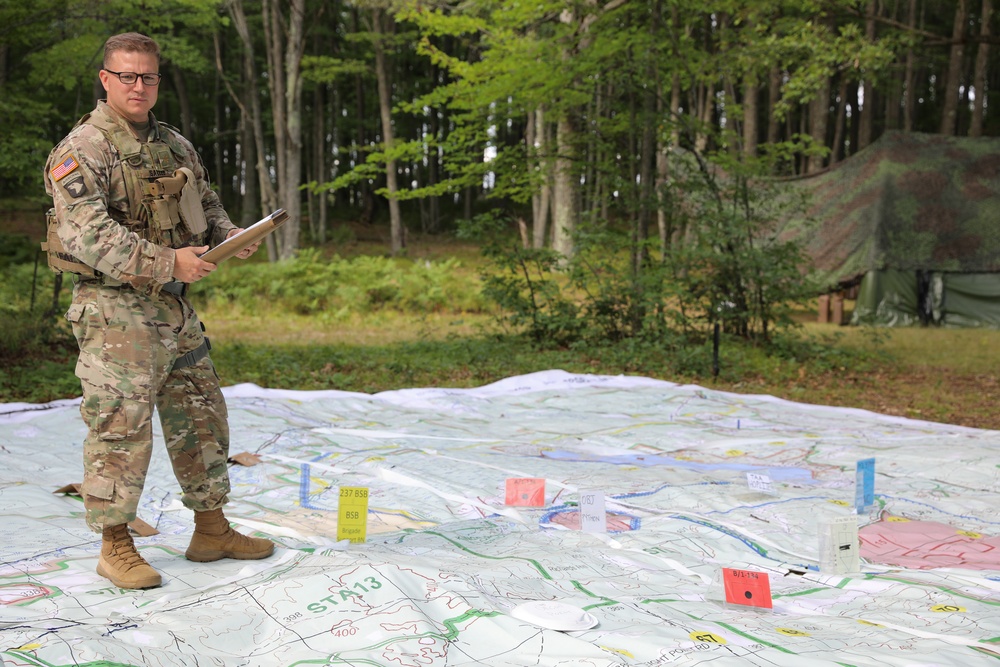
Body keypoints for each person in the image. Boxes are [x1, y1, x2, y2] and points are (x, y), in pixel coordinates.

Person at [43, 32, 274, 590]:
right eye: (127, 76)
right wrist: (169, 261)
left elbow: (207, 203)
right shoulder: (84, 149)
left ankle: (211, 529)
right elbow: (87, 234)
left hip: (173, 310)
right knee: (120, 428)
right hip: (114, 309)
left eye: (148, 76)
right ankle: (114, 545)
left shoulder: (175, 144)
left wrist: (231, 235)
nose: (139, 86)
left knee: (202, 416)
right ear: (106, 79)